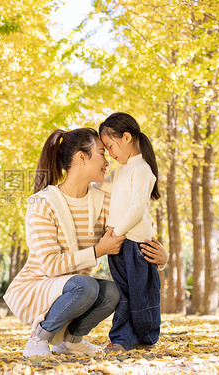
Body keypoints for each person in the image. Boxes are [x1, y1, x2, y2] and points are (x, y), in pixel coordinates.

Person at [3, 127, 167, 358]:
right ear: (82, 157)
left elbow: (134, 224)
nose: (108, 160)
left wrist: (161, 258)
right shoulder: (43, 203)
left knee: (112, 291)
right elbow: (51, 266)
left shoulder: (103, 200)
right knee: (87, 286)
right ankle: (38, 338)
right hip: (39, 284)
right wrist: (99, 250)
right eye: (102, 152)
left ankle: (72, 341)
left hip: (78, 288)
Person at [97, 112, 165, 353]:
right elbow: (98, 187)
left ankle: (144, 335)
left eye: (110, 146)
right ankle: (123, 338)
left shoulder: (142, 169)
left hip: (134, 243)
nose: (110, 153)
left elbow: (137, 207)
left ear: (126, 137)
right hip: (118, 242)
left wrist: (117, 231)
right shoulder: (120, 171)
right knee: (123, 292)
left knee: (140, 293)